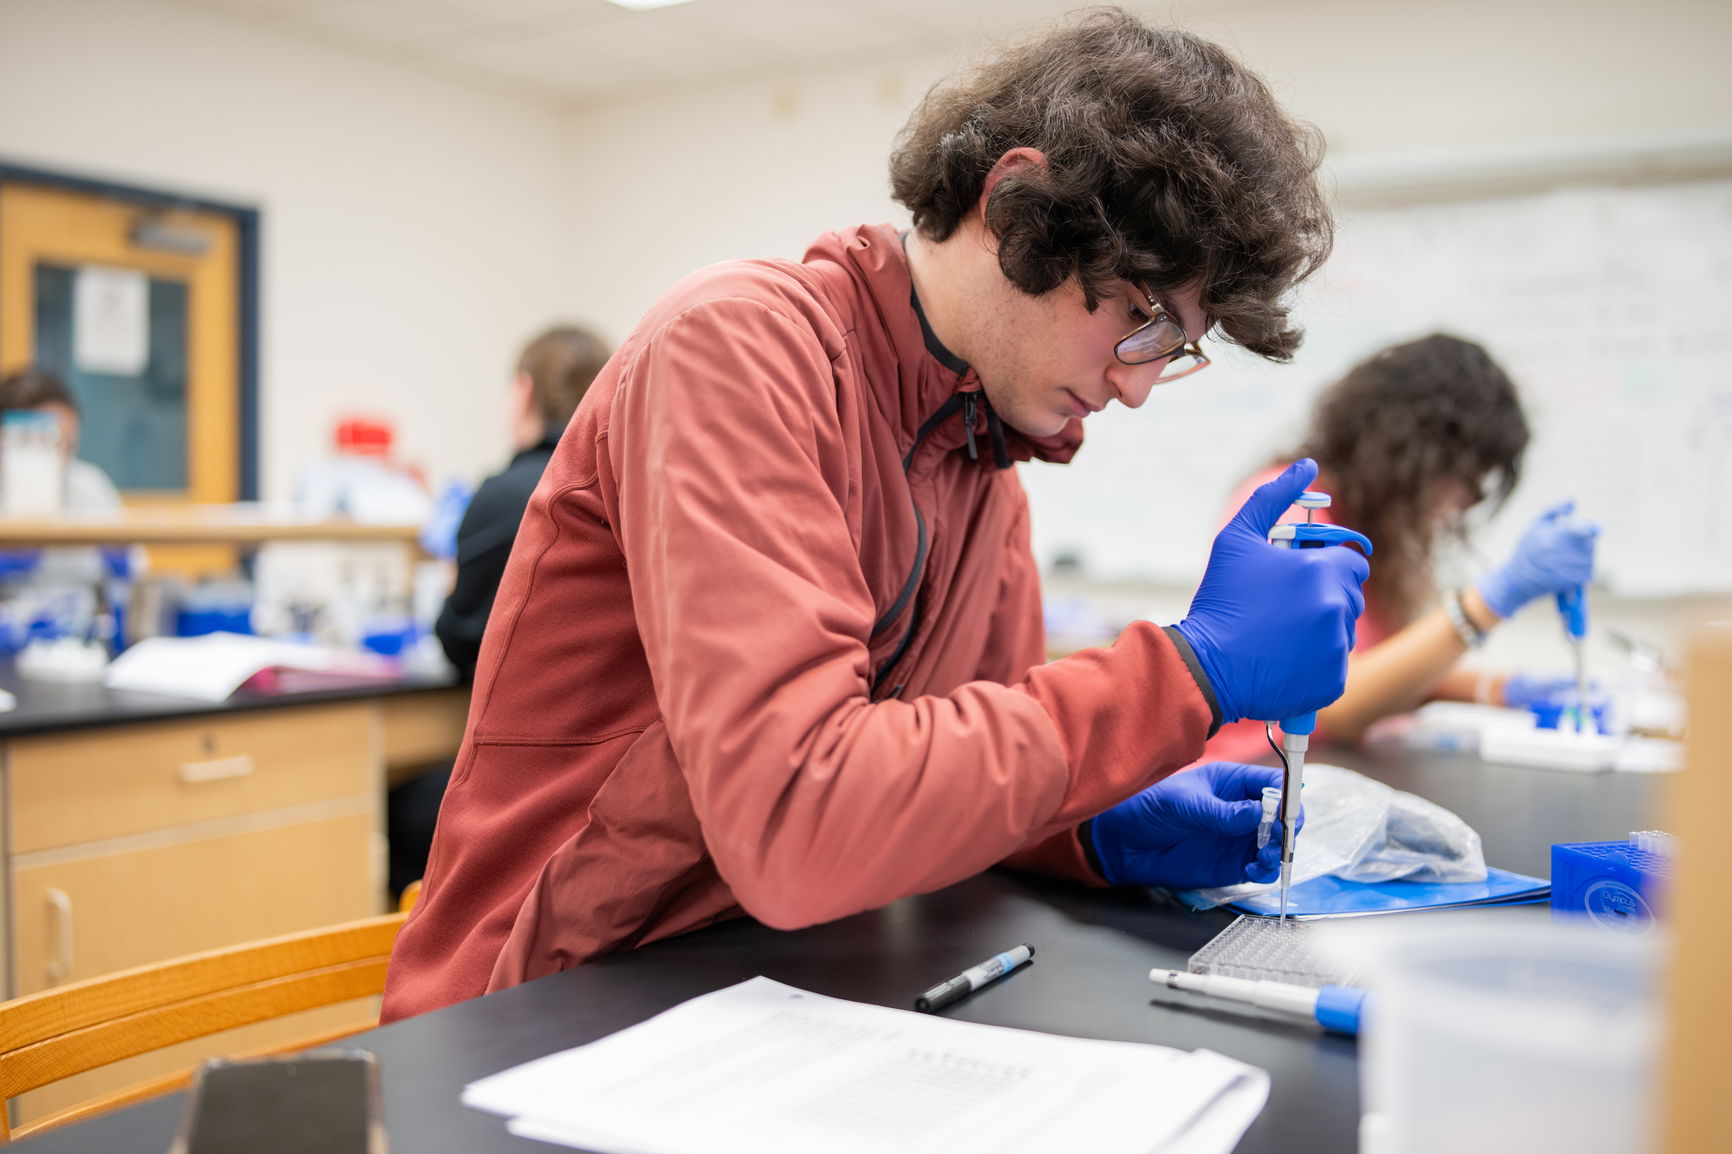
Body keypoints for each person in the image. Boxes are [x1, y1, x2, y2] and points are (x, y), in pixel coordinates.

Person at [383, 10, 1368, 1022]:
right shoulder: (737, 351)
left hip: (757, 993)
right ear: (1017, 205)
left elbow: (944, 779)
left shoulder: (987, 471)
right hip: (537, 1009)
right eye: (1144, 317)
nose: (1138, 388)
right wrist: (1186, 671)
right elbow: (796, 821)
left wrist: (1087, 827)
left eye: (1178, 346)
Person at [1200, 333, 1598, 762]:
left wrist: (1502, 689)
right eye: (1467, 481)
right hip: (1255, 783)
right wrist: (1490, 602)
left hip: (1328, 772)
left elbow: (1380, 669)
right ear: (1416, 453)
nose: (1463, 505)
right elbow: (1335, 703)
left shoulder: (1375, 531)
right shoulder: (1290, 510)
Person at [387, 324, 611, 899]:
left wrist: (452, 582)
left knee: (396, 810)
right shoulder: (629, 483)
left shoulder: (506, 496)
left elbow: (461, 641)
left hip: (528, 784)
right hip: (611, 779)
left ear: (525, 392)